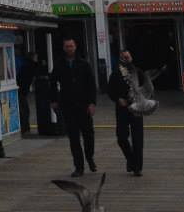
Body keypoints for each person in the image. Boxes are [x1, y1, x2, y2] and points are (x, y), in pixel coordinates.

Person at [49, 37, 97, 176]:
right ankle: (79, 166)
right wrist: (54, 100)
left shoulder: (84, 64)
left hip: (84, 104)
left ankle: (89, 157)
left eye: (71, 46)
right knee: (74, 137)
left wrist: (92, 103)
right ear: (64, 48)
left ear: (75, 47)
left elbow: (91, 85)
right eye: (67, 46)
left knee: (88, 135)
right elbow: (52, 83)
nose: (69, 48)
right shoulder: (59, 64)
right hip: (68, 105)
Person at [107, 49, 145, 176]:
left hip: (136, 108)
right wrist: (118, 99)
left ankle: (137, 168)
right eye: (124, 58)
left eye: (128, 57)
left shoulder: (138, 72)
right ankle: (131, 159)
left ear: (131, 58)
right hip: (122, 109)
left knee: (138, 139)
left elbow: (147, 88)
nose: (126, 60)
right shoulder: (116, 74)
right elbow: (110, 91)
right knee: (121, 137)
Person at [16, 52, 41, 137]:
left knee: (24, 110)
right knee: (24, 110)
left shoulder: (25, 65)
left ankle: (25, 128)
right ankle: (25, 129)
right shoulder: (30, 66)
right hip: (22, 90)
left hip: (21, 89)